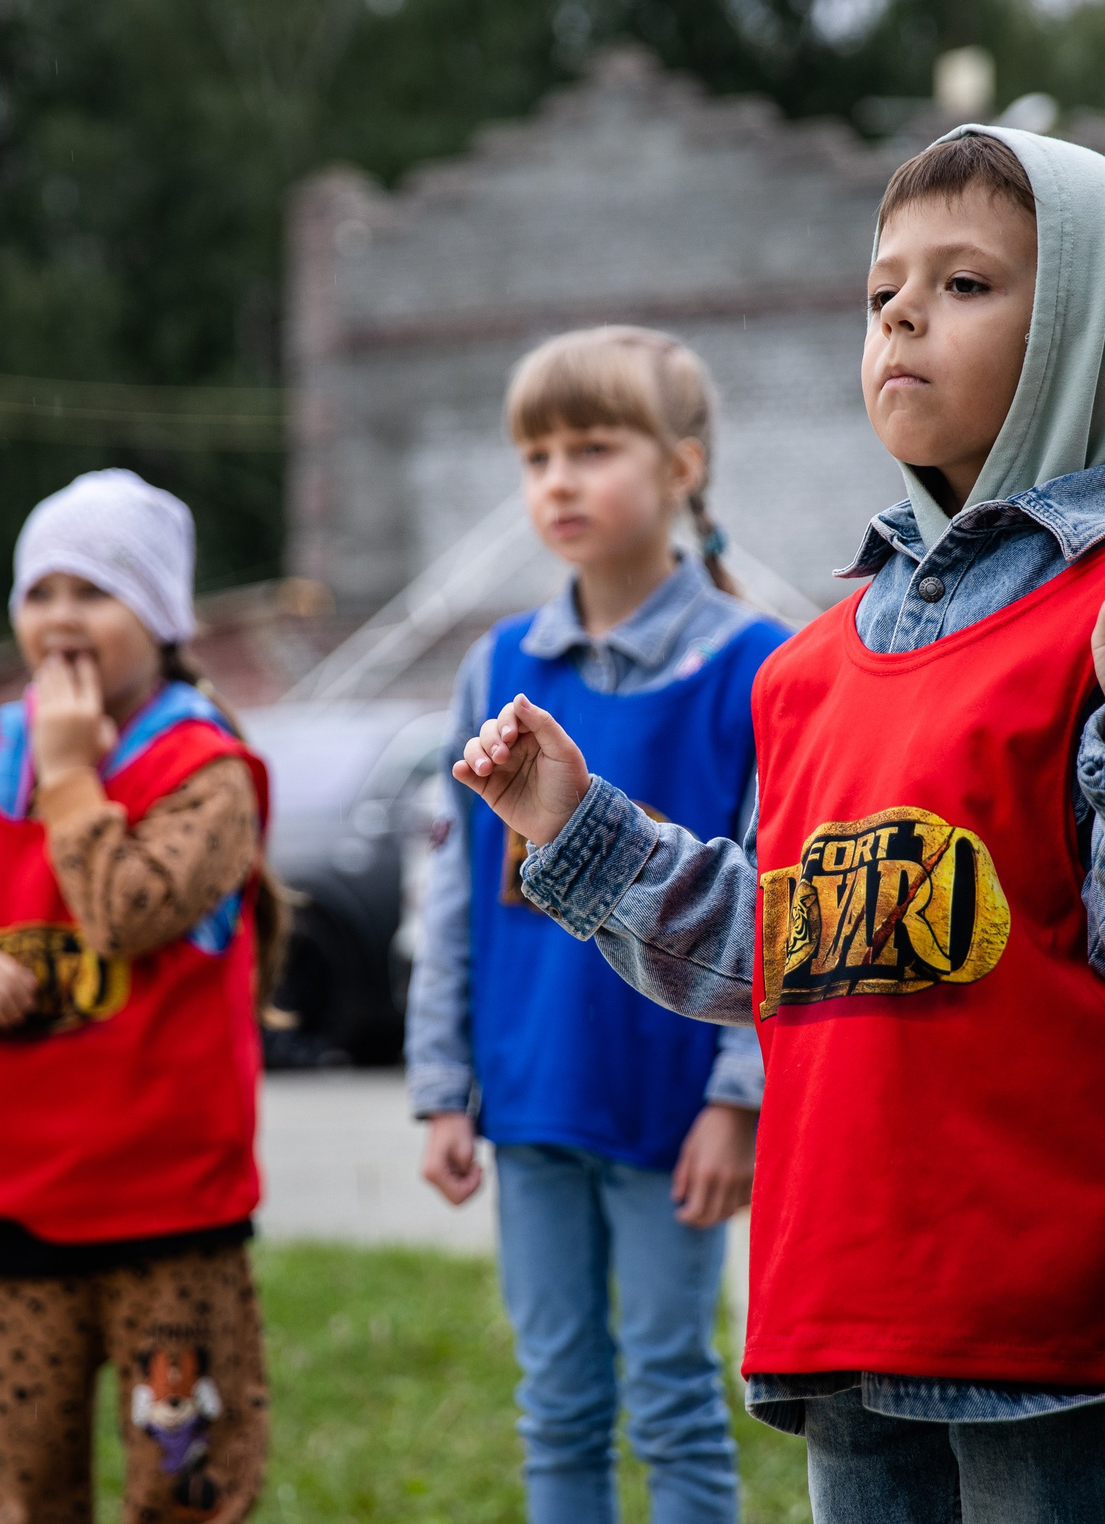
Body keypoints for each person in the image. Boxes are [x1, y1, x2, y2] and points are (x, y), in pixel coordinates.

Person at [451, 130, 1105, 1522]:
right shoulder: (811, 664)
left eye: (965, 284)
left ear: (1090, 329)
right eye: (880, 293)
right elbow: (778, 955)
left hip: (1059, 1329)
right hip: (845, 1302)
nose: (902, 315)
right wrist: (583, 834)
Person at [407, 326, 786, 1524]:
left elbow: (779, 905)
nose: (557, 479)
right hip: (531, 1100)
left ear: (681, 468)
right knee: (556, 1399)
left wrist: (738, 1099)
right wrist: (439, 1085)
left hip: (675, 1110)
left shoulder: (758, 668)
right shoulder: (495, 667)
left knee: (673, 1394)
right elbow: (456, 892)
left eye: (591, 446)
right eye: (535, 454)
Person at [0, 469, 282, 1524]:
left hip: (170, 1218)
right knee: (27, 1491)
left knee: (184, 1488)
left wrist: (68, 778)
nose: (59, 617)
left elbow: (127, 912)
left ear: (156, 617)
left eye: (94, 591)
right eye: (38, 591)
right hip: (12, 1206)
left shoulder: (207, 772)